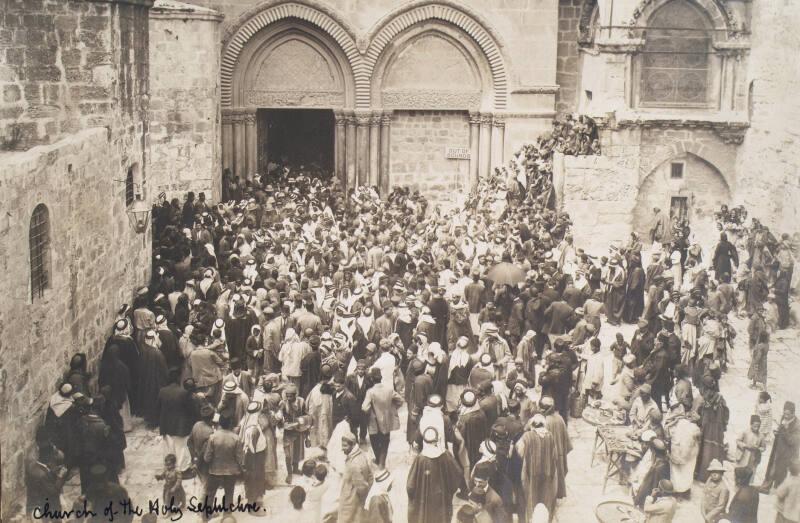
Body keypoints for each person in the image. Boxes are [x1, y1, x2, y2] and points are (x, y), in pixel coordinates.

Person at [407, 427, 464, 523]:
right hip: (442, 498)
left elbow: (410, 485)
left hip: (424, 501)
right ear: (437, 440)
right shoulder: (445, 455)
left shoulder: (420, 459)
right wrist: (450, 490)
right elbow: (457, 473)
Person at [515, 414, 559, 520]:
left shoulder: (527, 436)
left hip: (531, 474)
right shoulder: (550, 436)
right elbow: (555, 455)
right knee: (546, 497)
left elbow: (519, 451)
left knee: (531, 498)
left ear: (532, 426)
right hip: (547, 474)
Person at [156, 368, 196, 474]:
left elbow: (158, 408)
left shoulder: (162, 391)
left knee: (169, 448)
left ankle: (170, 467)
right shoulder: (183, 393)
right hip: (180, 426)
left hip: (166, 425)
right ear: (178, 378)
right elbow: (190, 410)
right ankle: (182, 469)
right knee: (181, 448)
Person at [362, 367, 402, 467]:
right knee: (385, 441)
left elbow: (365, 408)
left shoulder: (370, 392)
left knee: (374, 441)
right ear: (381, 378)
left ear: (371, 379)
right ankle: (382, 462)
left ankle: (379, 459)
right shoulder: (389, 390)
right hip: (387, 420)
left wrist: (371, 411)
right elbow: (400, 400)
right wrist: (392, 409)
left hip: (374, 422)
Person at [203, 415, 243, 511]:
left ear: (220, 423)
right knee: (229, 493)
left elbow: (207, 458)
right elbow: (240, 459)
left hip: (215, 471)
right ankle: (227, 515)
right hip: (231, 472)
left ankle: (206, 515)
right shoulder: (236, 438)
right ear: (230, 425)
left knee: (210, 493)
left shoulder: (213, 437)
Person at [762, 401, 800, 491]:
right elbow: (781, 431)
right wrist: (777, 433)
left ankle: (778, 489)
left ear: (793, 413)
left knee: (782, 470)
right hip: (777, 449)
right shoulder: (783, 418)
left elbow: (793, 441)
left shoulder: (797, 425)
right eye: (784, 413)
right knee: (772, 467)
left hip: (787, 453)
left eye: (788, 414)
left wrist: (785, 431)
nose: (785, 416)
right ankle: (767, 485)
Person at [338, 432, 373, 523]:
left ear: (353, 445)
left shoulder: (353, 464)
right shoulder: (361, 454)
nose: (342, 448)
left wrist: (360, 498)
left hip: (350, 503)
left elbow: (361, 487)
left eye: (345, 446)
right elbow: (370, 476)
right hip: (356, 501)